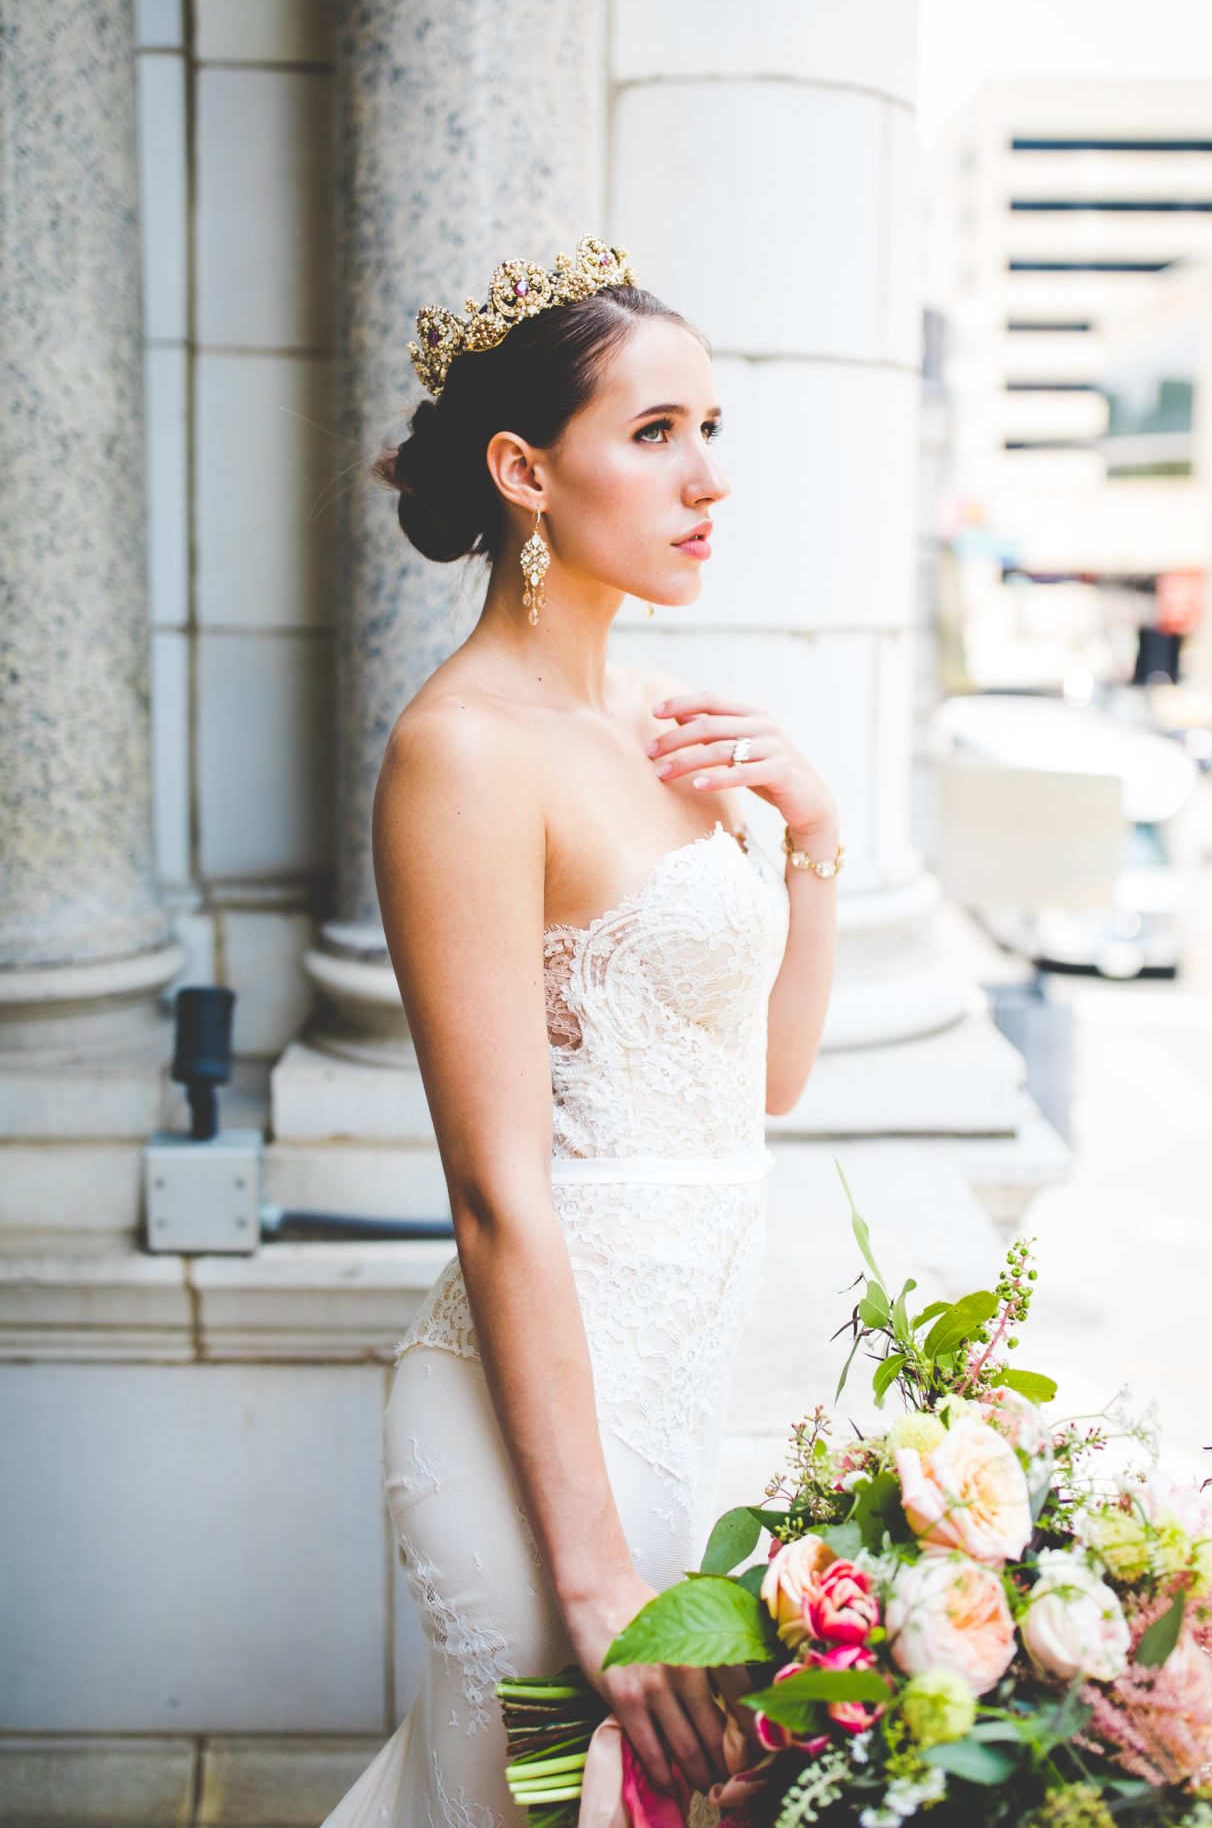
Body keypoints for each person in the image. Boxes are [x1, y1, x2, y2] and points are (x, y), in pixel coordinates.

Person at [319, 235, 843, 1827]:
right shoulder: (462, 754)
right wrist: (599, 1574)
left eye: (713, 431)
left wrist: (814, 828)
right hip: (542, 1424)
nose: (707, 479)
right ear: (523, 471)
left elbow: (769, 1076)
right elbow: (497, 1188)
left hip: (698, 1373)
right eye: (656, 432)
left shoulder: (669, 719)